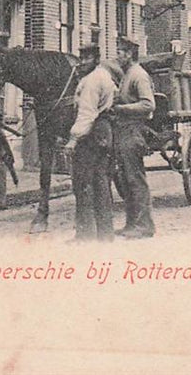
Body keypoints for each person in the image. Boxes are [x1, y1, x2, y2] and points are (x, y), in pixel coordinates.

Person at [66, 44, 123, 242]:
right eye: (81, 58)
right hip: (104, 134)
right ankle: (105, 235)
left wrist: (73, 139)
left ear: (96, 59)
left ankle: (85, 235)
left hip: (91, 135)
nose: (82, 62)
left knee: (83, 184)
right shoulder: (104, 77)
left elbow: (87, 113)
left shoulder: (91, 81)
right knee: (102, 184)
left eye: (86, 59)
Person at [111, 38, 157, 239]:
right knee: (125, 179)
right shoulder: (126, 75)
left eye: (120, 52)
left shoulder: (138, 75)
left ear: (130, 54)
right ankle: (131, 224)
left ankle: (144, 225)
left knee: (135, 179)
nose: (117, 56)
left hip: (134, 131)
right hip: (124, 131)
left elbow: (148, 105)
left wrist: (120, 108)